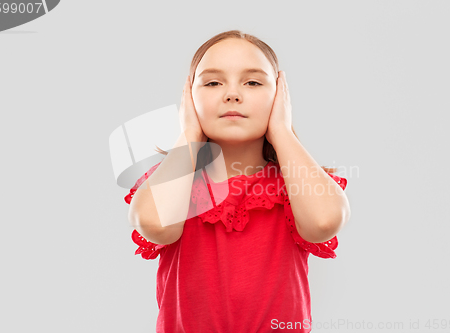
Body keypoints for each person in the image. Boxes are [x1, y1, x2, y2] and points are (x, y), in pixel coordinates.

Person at [124, 30, 351, 333]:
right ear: (189, 97)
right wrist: (190, 134)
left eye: (253, 82)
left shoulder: (294, 185)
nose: (232, 94)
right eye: (213, 82)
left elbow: (324, 222)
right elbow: (156, 225)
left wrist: (281, 130)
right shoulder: (175, 183)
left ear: (280, 96)